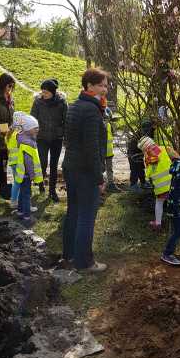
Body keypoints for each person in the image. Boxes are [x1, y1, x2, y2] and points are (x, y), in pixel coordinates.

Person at [60, 68, 110, 273]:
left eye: (106, 86)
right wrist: (99, 177)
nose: (105, 89)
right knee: (86, 216)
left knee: (73, 212)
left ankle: (69, 255)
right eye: (102, 85)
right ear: (89, 85)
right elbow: (91, 147)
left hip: (71, 168)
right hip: (85, 171)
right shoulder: (91, 110)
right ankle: (85, 262)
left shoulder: (75, 105)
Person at [30, 79, 66, 201]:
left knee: (54, 165)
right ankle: (41, 185)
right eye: (42, 92)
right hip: (42, 138)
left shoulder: (61, 103)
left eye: (45, 92)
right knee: (43, 162)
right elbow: (32, 119)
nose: (43, 94)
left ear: (52, 92)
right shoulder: (38, 103)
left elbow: (66, 120)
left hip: (57, 138)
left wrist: (65, 136)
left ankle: (52, 191)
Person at [12, 114, 42, 225]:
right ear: (28, 129)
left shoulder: (22, 138)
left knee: (22, 193)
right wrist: (33, 175)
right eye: (35, 128)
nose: (37, 130)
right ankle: (27, 216)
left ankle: (20, 212)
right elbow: (28, 162)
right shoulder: (28, 143)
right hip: (26, 174)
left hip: (22, 174)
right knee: (27, 194)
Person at [142, 137, 173, 229]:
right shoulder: (165, 148)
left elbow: (148, 174)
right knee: (175, 202)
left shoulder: (147, 158)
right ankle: (177, 222)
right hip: (173, 182)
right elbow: (176, 159)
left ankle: (158, 223)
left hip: (160, 186)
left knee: (159, 202)